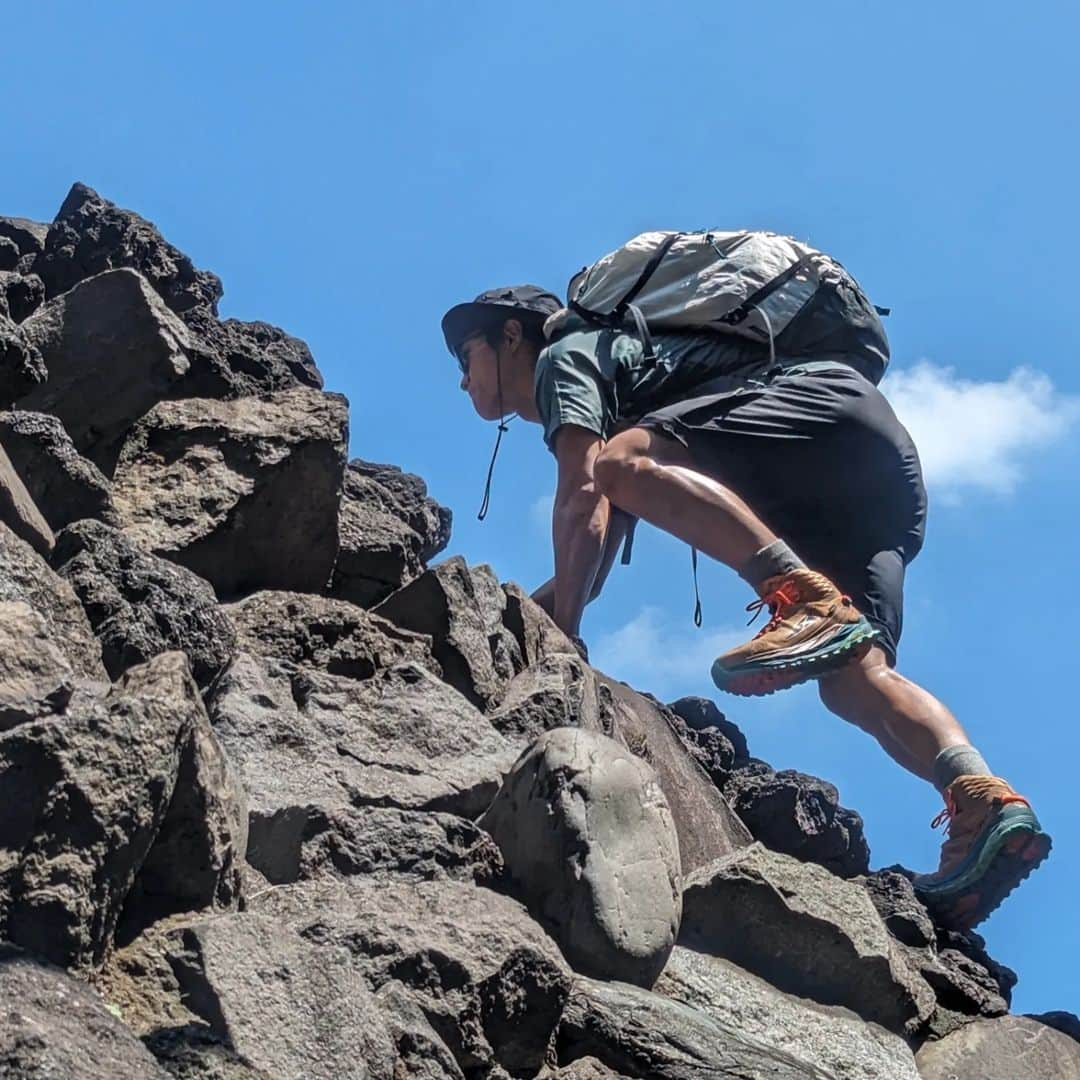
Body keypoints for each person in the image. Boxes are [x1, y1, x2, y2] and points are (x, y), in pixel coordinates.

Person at [440, 275, 1050, 929]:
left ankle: (799, 596)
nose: (462, 379)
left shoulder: (569, 355)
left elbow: (587, 494)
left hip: (808, 412)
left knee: (616, 466)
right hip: (869, 460)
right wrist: (542, 612)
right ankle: (982, 798)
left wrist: (559, 641)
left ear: (511, 335)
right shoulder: (635, 386)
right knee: (853, 680)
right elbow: (590, 552)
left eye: (465, 356)